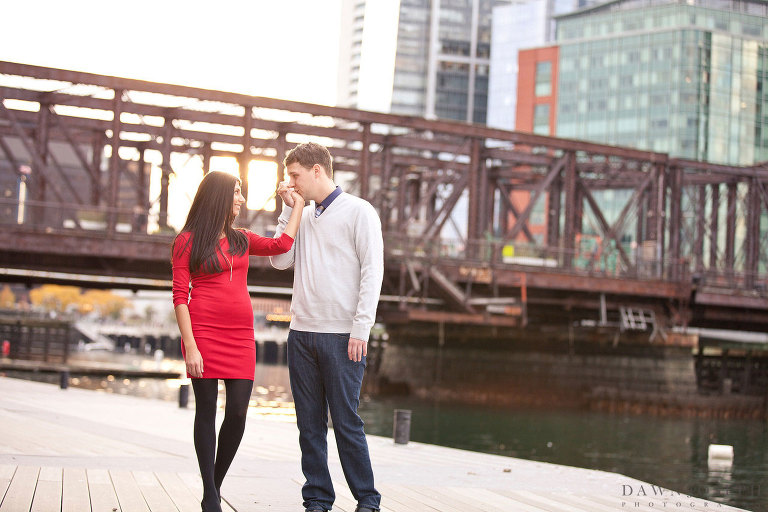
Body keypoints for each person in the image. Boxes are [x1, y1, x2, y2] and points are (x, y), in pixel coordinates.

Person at [172, 171, 303, 512]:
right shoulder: (186, 241)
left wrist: (296, 206)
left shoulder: (242, 239)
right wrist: (191, 346)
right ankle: (211, 496)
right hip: (203, 334)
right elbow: (180, 297)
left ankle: (214, 486)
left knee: (239, 413)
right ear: (218, 197)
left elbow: (281, 246)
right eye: (236, 192)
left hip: (241, 336)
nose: (241, 199)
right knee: (206, 411)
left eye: (242, 192)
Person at [270, 142, 384, 512]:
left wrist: (361, 328)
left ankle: (367, 499)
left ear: (317, 171)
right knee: (309, 424)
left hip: (342, 336)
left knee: (347, 422)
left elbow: (372, 271)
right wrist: (287, 212)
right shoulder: (300, 214)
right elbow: (279, 261)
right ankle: (317, 498)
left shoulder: (359, 212)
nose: (290, 183)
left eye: (295, 176)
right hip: (301, 333)